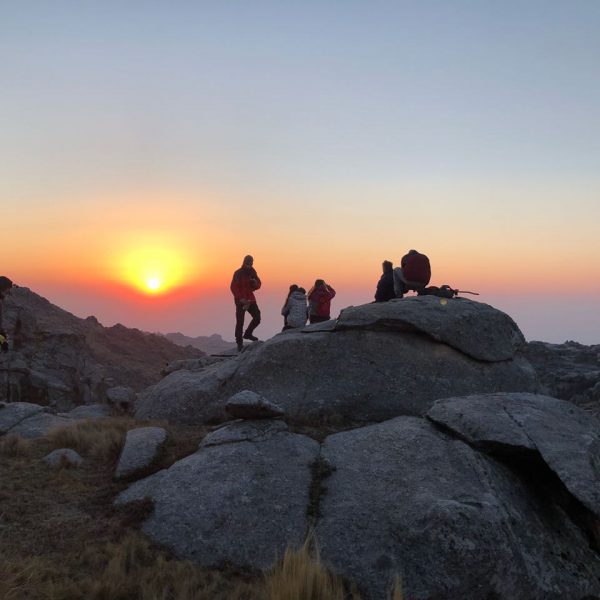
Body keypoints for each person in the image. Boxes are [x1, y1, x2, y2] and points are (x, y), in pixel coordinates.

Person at [230, 256, 261, 351]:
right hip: (241, 301)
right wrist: (240, 298)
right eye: (248, 263)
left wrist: (255, 283)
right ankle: (239, 343)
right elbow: (233, 287)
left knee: (257, 317)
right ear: (244, 262)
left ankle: (248, 334)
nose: (249, 265)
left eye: (251, 263)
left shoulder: (253, 272)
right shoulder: (238, 273)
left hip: (250, 299)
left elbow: (259, 284)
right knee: (240, 321)